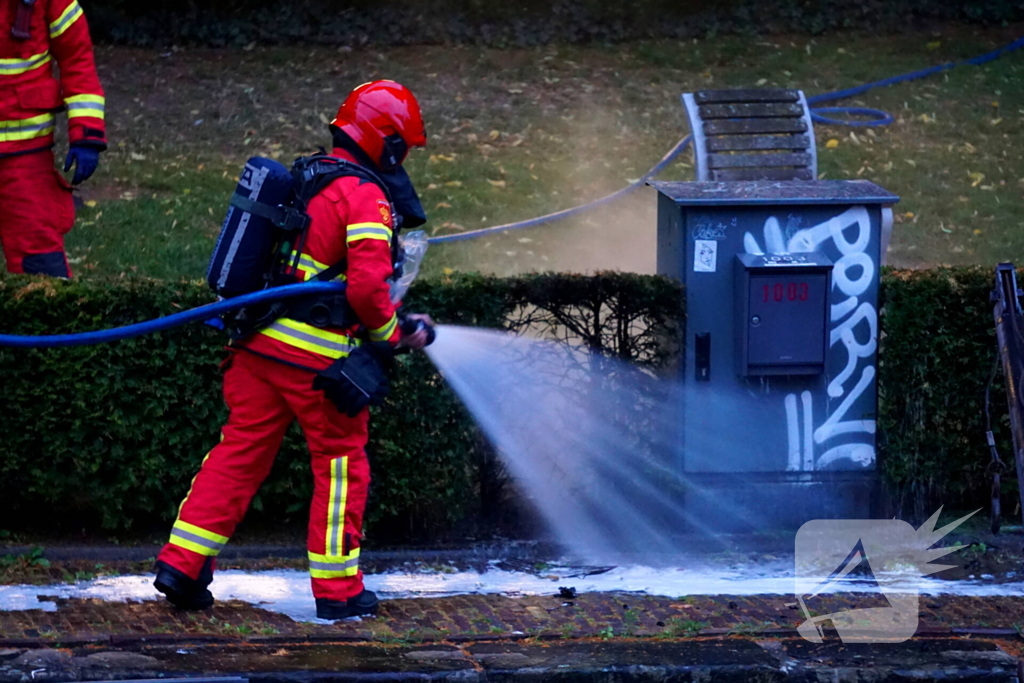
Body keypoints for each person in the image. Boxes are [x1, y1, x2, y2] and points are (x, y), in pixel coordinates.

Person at [153, 81, 434, 620]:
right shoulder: (366, 197)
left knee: (238, 455)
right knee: (340, 465)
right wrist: (396, 336)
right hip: (315, 363)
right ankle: (338, 591)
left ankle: (181, 565)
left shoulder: (308, 175)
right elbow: (368, 292)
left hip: (257, 350)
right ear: (387, 142)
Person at [0, 0, 107, 277]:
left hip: (25, 156)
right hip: (25, 149)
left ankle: (48, 315)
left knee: (38, 252)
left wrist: (87, 134)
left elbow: (77, 60)